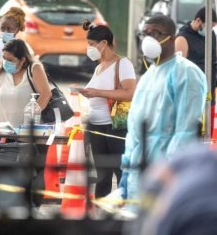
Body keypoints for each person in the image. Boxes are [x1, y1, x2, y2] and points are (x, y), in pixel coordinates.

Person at [120, 15, 207, 210]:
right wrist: (127, 167)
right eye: (146, 33)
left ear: (172, 37)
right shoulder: (148, 75)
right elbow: (134, 128)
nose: (149, 39)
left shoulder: (186, 73)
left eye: (156, 33)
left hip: (166, 176)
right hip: (137, 172)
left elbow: (185, 132)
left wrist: (167, 172)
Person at [0, 39, 51, 206]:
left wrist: (29, 121)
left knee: (34, 176)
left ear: (23, 59)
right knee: (9, 176)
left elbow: (46, 95)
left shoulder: (34, 69)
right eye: (3, 58)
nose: (5, 62)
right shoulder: (2, 72)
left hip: (32, 134)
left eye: (10, 59)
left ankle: (34, 209)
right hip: (7, 134)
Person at [79, 20, 136, 198]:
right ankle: (100, 212)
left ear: (104, 44)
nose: (89, 49)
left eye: (92, 45)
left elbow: (130, 92)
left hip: (115, 127)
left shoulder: (123, 64)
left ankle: (122, 209)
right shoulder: (98, 67)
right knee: (102, 175)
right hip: (96, 126)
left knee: (120, 172)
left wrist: (97, 92)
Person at [175, 7, 217, 132]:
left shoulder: (211, 35)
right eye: (208, 26)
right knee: (192, 132)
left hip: (209, 92)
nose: (210, 30)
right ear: (198, 21)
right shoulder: (182, 38)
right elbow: (179, 69)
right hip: (191, 94)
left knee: (208, 130)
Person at [0, 7, 31, 79]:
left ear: (17, 30)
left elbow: (30, 69)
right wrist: (5, 64)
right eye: (2, 28)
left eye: (9, 29)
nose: (5, 32)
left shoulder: (23, 46)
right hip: (0, 87)